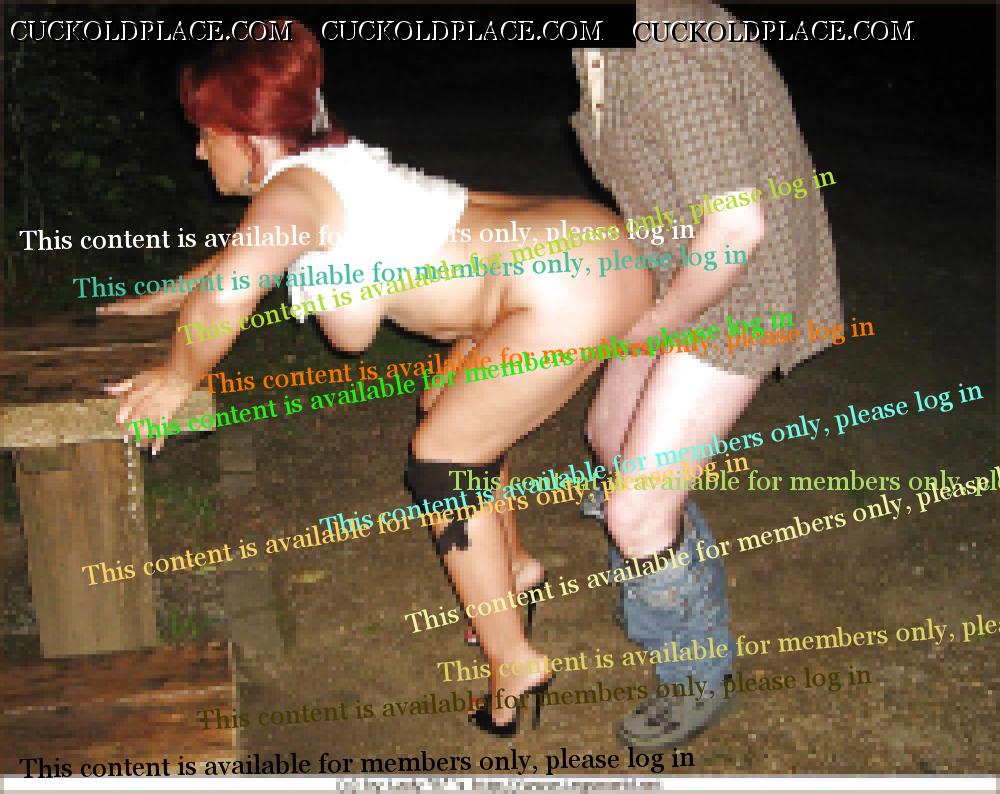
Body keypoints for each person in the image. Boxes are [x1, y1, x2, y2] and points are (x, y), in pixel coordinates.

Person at [101, 22, 653, 734]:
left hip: (564, 287)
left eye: (206, 134)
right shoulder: (322, 166)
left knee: (443, 461)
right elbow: (245, 259)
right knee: (449, 409)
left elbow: (232, 292)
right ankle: (512, 567)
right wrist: (166, 298)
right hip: (581, 247)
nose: (199, 151)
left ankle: (513, 660)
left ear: (249, 137)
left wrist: (178, 375)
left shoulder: (294, 195)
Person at [569, 0, 844, 749]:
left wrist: (658, 323)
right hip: (680, 271)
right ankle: (664, 574)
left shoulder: (665, 42)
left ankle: (696, 670)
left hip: (741, 291)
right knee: (611, 437)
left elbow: (736, 227)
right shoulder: (600, 42)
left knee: (634, 510)